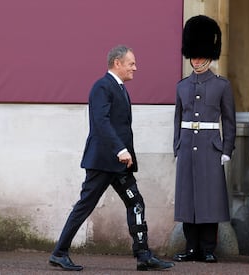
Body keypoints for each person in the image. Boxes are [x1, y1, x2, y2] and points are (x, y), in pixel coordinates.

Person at [48, 45, 175, 271]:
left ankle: (143, 254)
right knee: (85, 206)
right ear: (117, 63)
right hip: (103, 162)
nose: (135, 68)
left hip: (120, 164)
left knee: (135, 202)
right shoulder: (102, 87)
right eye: (131, 63)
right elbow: (101, 122)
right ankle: (59, 252)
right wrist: (120, 149)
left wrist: (125, 154)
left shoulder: (120, 88)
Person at [172, 15, 236, 263]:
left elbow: (229, 120)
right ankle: (192, 247)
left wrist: (227, 149)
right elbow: (178, 119)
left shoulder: (222, 86)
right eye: (193, 56)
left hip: (211, 146)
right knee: (188, 199)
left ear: (210, 56)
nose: (196, 61)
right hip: (188, 145)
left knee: (210, 200)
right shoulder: (182, 86)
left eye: (200, 56)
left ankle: (208, 248)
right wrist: (177, 145)